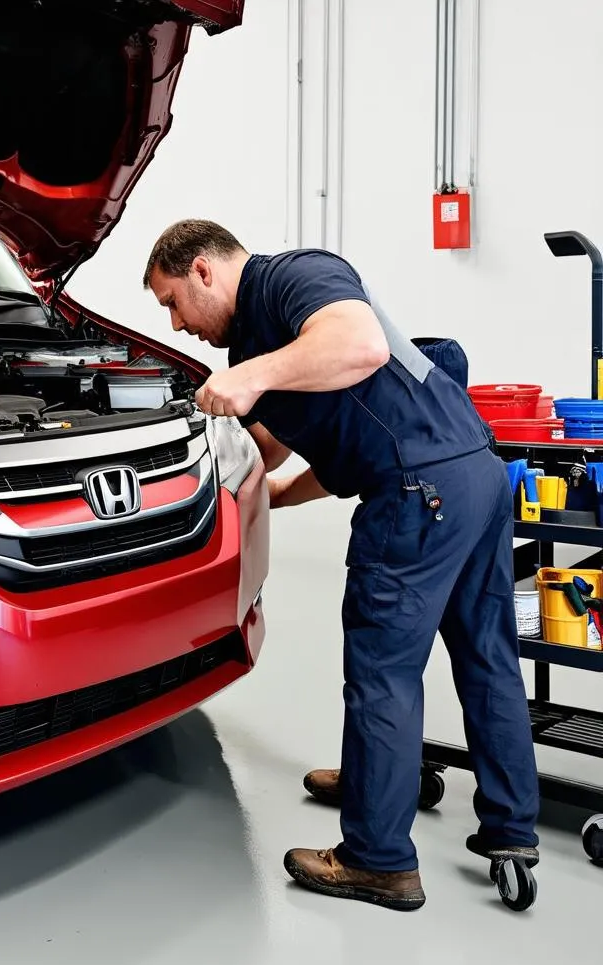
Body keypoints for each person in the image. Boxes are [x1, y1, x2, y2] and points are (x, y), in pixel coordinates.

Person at [142, 219, 540, 911]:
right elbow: (319, 447)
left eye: (173, 302)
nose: (176, 325)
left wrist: (247, 376)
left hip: (422, 493)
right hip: (470, 477)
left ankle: (378, 860)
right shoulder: (259, 343)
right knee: (487, 657)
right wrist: (260, 493)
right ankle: (507, 828)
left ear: (203, 269)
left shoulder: (296, 276)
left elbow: (360, 345)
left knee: (383, 671)